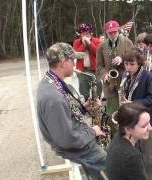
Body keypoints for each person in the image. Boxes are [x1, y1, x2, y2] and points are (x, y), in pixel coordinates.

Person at [36, 42, 107, 180]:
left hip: (72, 138)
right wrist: (93, 131)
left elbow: (63, 113)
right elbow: (67, 139)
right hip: (73, 147)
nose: (75, 64)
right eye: (72, 60)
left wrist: (82, 108)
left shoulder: (50, 81)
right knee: (112, 164)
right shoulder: (53, 98)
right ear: (63, 62)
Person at [119, 47, 152, 180]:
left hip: (147, 124)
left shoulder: (149, 77)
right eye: (126, 64)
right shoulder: (125, 75)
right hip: (133, 123)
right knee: (135, 157)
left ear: (139, 63)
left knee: (149, 159)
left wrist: (132, 103)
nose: (128, 67)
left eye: (132, 64)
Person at [105, 103, 152, 180]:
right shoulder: (132, 156)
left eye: (149, 122)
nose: (150, 128)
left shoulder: (118, 136)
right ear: (128, 129)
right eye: (144, 126)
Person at [96, 20, 133, 115]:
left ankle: (126, 129)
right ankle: (113, 129)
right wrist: (104, 75)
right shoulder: (101, 46)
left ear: (118, 31)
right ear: (106, 33)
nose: (112, 35)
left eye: (114, 32)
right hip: (109, 85)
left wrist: (122, 58)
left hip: (125, 81)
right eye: (110, 33)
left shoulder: (128, 42)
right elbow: (99, 66)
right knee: (112, 111)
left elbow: (135, 60)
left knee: (126, 111)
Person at [73, 23, 103, 101]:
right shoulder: (76, 42)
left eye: (87, 33)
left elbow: (98, 54)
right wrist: (84, 44)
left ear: (91, 33)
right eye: (83, 34)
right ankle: (87, 102)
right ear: (80, 34)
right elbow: (76, 54)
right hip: (82, 70)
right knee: (83, 87)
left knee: (98, 84)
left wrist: (90, 43)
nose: (85, 35)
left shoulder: (97, 41)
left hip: (95, 69)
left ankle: (97, 101)